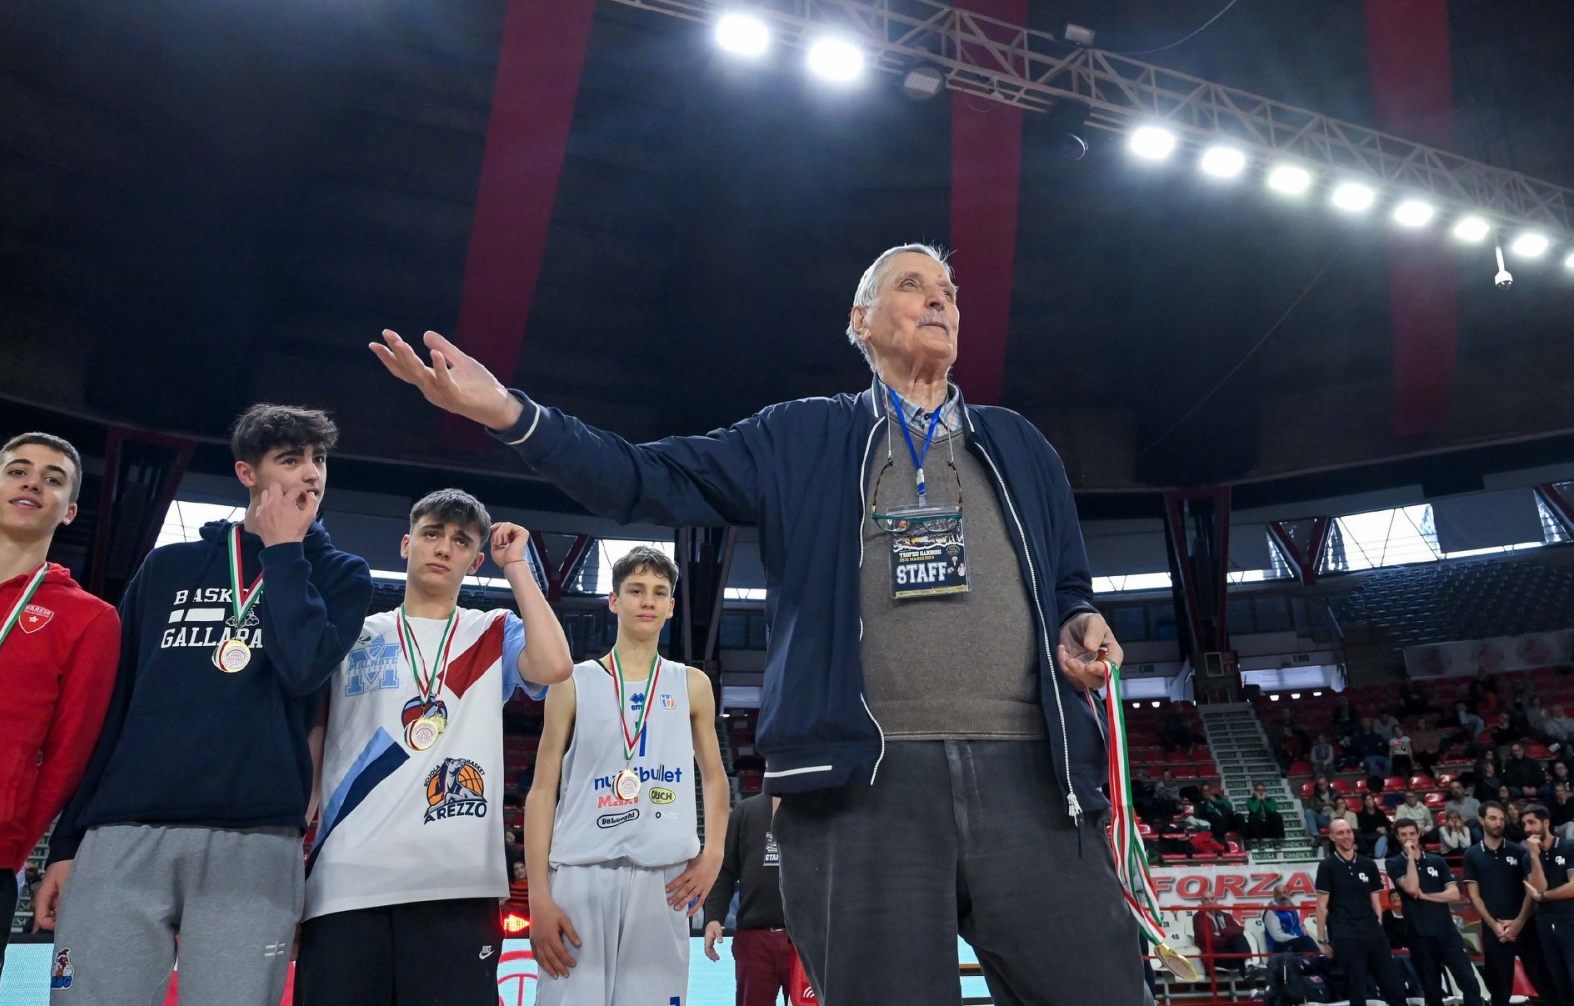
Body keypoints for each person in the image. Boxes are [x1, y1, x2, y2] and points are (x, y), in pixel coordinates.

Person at [372, 243, 1153, 1005]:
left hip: (1034, 780)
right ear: (862, 318)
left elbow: (1066, 586)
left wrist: (1079, 619)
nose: (941, 298)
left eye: (948, 289)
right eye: (914, 285)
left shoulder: (1021, 445)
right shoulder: (801, 436)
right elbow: (645, 476)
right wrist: (510, 413)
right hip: (861, 786)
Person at [32, 404, 373, 1006]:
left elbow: (301, 671)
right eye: (290, 460)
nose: (311, 474)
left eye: (319, 460)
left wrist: (285, 553)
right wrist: (66, 843)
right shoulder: (168, 567)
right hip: (124, 830)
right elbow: (114, 707)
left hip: (256, 837)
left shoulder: (341, 576)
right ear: (247, 473)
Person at [294, 490, 574, 1006]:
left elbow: (556, 666)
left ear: (475, 558)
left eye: (461, 540)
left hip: (457, 884)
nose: (444, 548)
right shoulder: (351, 635)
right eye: (432, 534)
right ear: (406, 544)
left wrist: (517, 568)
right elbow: (315, 744)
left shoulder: (491, 631)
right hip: (347, 882)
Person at [525, 547, 730, 1005]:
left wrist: (713, 853)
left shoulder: (692, 684)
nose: (648, 601)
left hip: (664, 880)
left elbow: (715, 778)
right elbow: (542, 791)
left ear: (671, 607)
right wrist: (539, 894)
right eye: (636, 590)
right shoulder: (571, 681)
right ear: (614, 600)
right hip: (581, 876)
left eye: (659, 593)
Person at [0, 434, 121, 1006]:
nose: (34, 482)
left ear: (71, 512)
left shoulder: (89, 619)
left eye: (53, 478)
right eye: (19, 471)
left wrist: (8, 840)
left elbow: (69, 754)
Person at [704, 790, 793, 1006]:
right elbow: (724, 870)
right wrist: (713, 917)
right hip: (754, 938)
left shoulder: (817, 807)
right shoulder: (745, 811)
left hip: (805, 938)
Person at [1466, 800, 1555, 1006]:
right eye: (1493, 818)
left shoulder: (1518, 851)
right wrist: (1494, 925)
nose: (1498, 823)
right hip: (1495, 930)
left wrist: (1518, 922)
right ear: (1481, 820)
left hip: (1525, 927)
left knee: (1544, 983)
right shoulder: (1472, 855)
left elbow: (1531, 891)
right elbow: (1474, 896)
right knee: (1499, 991)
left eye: (1501, 819)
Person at [1385, 817, 1482, 1006]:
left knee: (1469, 982)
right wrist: (1411, 858)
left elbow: (1454, 895)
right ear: (1397, 837)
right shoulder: (1394, 863)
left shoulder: (1437, 861)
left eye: (1412, 834)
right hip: (1418, 935)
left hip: (1447, 932)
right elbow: (1412, 888)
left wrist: (1426, 896)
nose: (1409, 839)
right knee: (1432, 989)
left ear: (1419, 833)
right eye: (1403, 835)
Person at [1314, 819, 1410, 1006]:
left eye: (1348, 831)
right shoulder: (1327, 866)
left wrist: (1378, 928)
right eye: (1340, 833)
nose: (1346, 836)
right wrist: (1322, 940)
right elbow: (1321, 906)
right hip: (1345, 933)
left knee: (1392, 983)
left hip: (1373, 932)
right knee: (1356, 987)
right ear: (1332, 837)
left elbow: (1376, 902)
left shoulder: (1368, 864)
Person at [1525, 803, 1574, 1004]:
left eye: (1531, 823)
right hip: (1545, 925)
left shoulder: (1569, 847)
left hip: (1570, 922)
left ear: (1546, 823)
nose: (1527, 829)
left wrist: (1545, 897)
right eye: (1524, 824)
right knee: (1559, 983)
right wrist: (1535, 857)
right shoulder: (1527, 856)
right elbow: (1539, 887)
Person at [1192, 892, 1254, 974]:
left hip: (1229, 950)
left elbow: (1239, 930)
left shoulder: (1225, 915)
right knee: (1239, 953)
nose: (1210, 902)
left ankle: (1249, 964)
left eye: (1212, 898)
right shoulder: (1198, 918)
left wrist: (1222, 933)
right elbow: (1208, 939)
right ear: (1202, 902)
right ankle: (1249, 967)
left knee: (1239, 938)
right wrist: (1230, 938)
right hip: (1214, 953)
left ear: (1216, 900)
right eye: (1206, 899)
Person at [1262, 886, 1318, 954]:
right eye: (1278, 893)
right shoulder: (1271, 912)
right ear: (1274, 895)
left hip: (1296, 942)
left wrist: (1302, 927)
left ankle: (1320, 958)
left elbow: (1295, 924)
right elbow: (1277, 936)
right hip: (1279, 947)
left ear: (1288, 894)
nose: (1282, 896)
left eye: (1284, 893)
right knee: (1305, 941)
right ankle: (1320, 958)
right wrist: (1298, 938)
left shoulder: (1291, 908)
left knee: (1309, 940)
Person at [1244, 783, 1284, 847]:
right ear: (1254, 792)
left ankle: (1276, 840)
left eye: (1262, 790)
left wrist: (1263, 800)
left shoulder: (1270, 800)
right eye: (1258, 790)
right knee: (1253, 817)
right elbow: (1254, 810)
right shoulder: (1250, 801)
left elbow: (1273, 810)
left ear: (1265, 792)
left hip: (1268, 827)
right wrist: (1258, 800)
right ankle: (1260, 841)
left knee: (1277, 815)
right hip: (1257, 829)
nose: (1260, 792)